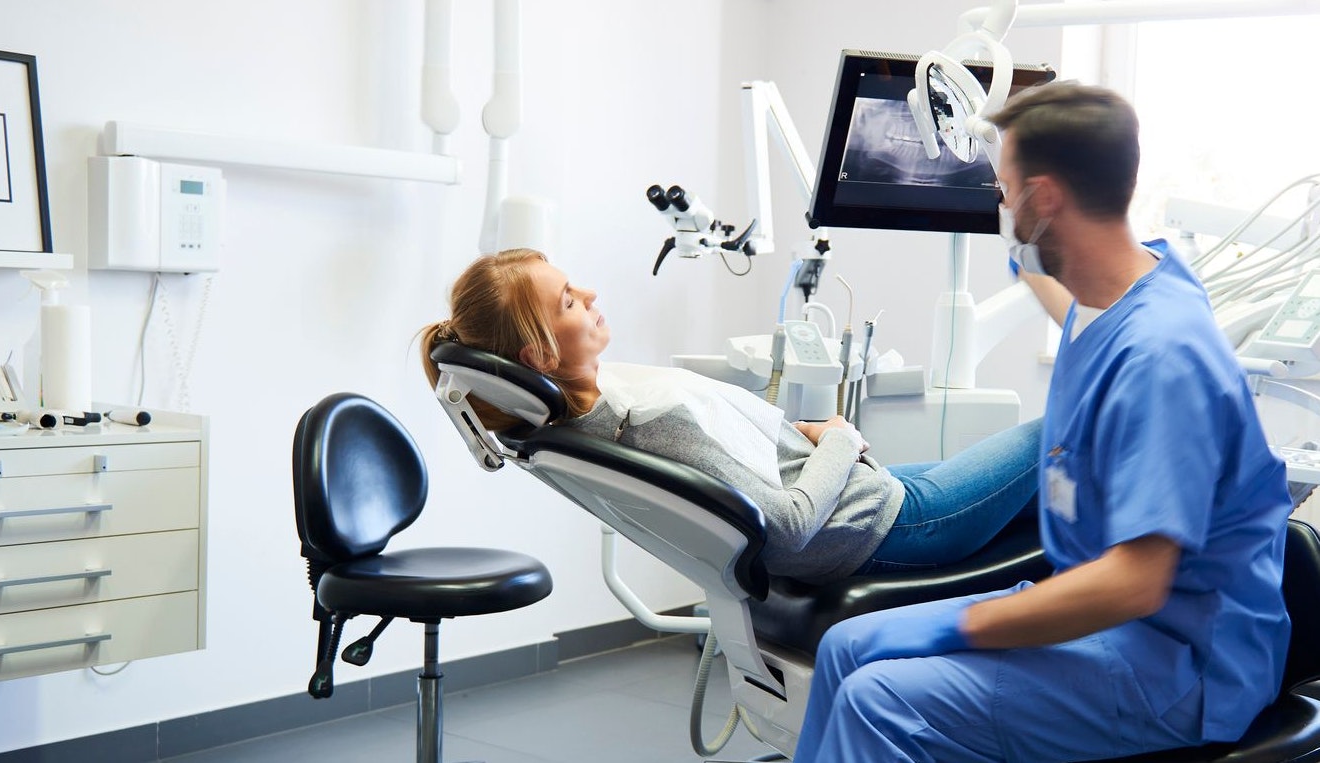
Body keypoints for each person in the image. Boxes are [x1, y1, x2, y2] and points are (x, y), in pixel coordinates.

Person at [793, 81, 1294, 762]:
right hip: (1117, 626)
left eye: (1005, 192)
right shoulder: (1128, 288)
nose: (1000, 205)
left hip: (1180, 662)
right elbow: (1068, 298)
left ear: (1046, 198)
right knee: (845, 643)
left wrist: (973, 623)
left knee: (879, 700)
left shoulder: (1162, 357)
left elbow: (1134, 582)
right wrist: (1020, 245)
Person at [420, 248, 1042, 585]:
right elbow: (791, 524)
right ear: (542, 355)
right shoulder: (645, 423)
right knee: (1059, 436)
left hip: (867, 504)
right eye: (569, 301)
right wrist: (838, 438)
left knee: (1059, 499)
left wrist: (806, 445)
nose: (591, 296)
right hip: (883, 525)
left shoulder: (583, 423)